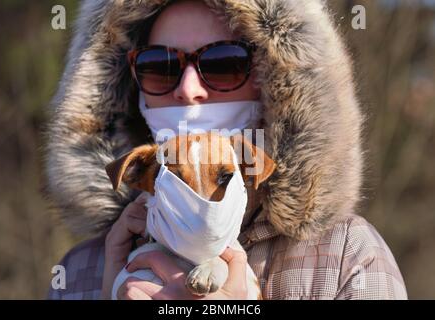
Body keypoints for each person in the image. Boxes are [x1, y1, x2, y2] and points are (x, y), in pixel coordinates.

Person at [46, 0, 407, 300]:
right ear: (131, 87)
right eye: (159, 67)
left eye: (223, 63)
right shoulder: (78, 273)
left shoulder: (347, 257)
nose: (189, 90)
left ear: (278, 84)